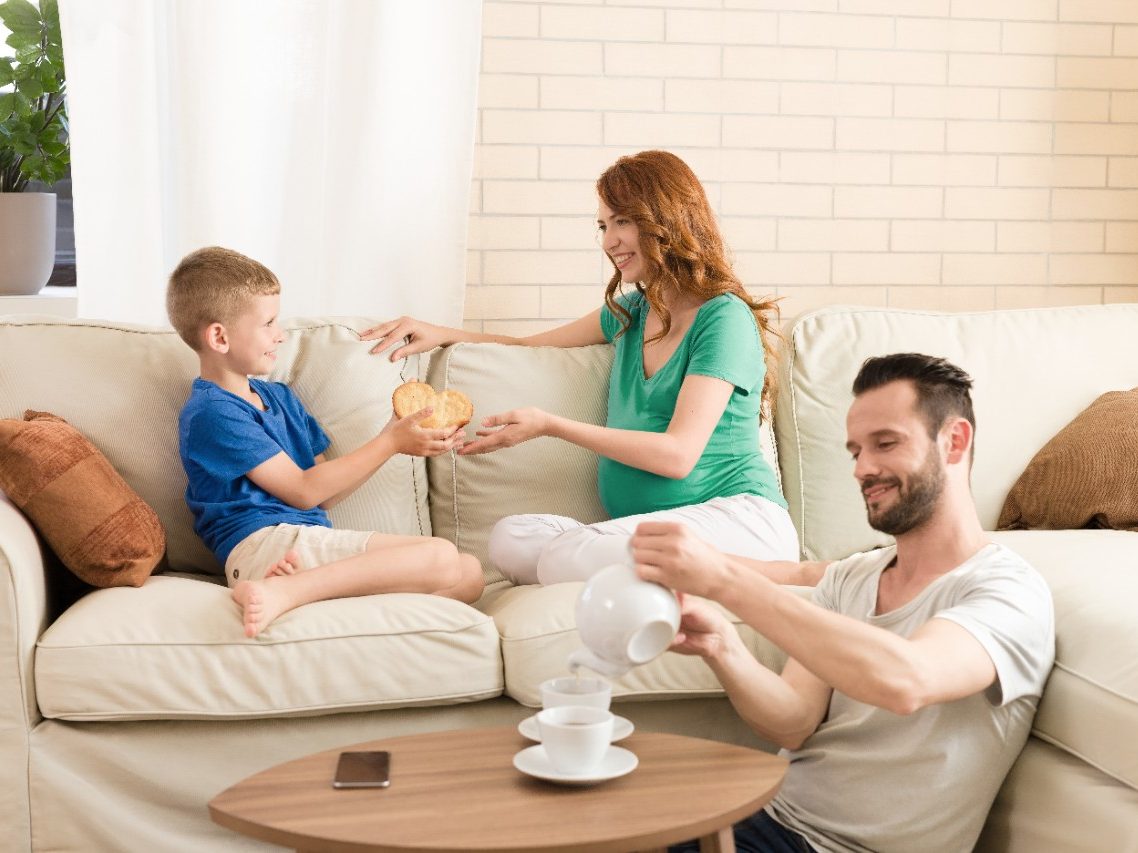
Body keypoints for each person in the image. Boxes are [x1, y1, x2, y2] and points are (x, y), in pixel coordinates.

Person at [632, 353, 1055, 853]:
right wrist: (723, 647)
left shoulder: (1008, 592)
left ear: (954, 441)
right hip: (769, 819)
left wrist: (726, 580)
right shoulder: (851, 579)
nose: (863, 468)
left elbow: (906, 680)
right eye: (855, 451)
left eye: (886, 443)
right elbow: (792, 722)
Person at [362, 150, 802, 586]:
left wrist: (550, 425)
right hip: (659, 528)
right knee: (510, 539)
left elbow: (677, 455)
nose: (609, 240)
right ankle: (656, 565)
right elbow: (528, 345)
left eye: (622, 221)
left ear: (665, 219)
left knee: (564, 557)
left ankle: (777, 574)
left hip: (737, 520)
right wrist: (441, 333)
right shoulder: (630, 312)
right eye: (603, 225)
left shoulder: (722, 317)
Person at [167, 247, 484, 638]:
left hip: (303, 541)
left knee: (469, 574)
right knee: (439, 556)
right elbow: (302, 492)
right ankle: (285, 591)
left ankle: (307, 593)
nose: (279, 334)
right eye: (268, 323)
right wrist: (389, 444)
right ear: (219, 336)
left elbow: (323, 495)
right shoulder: (213, 411)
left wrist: (394, 435)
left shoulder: (280, 397)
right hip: (262, 546)